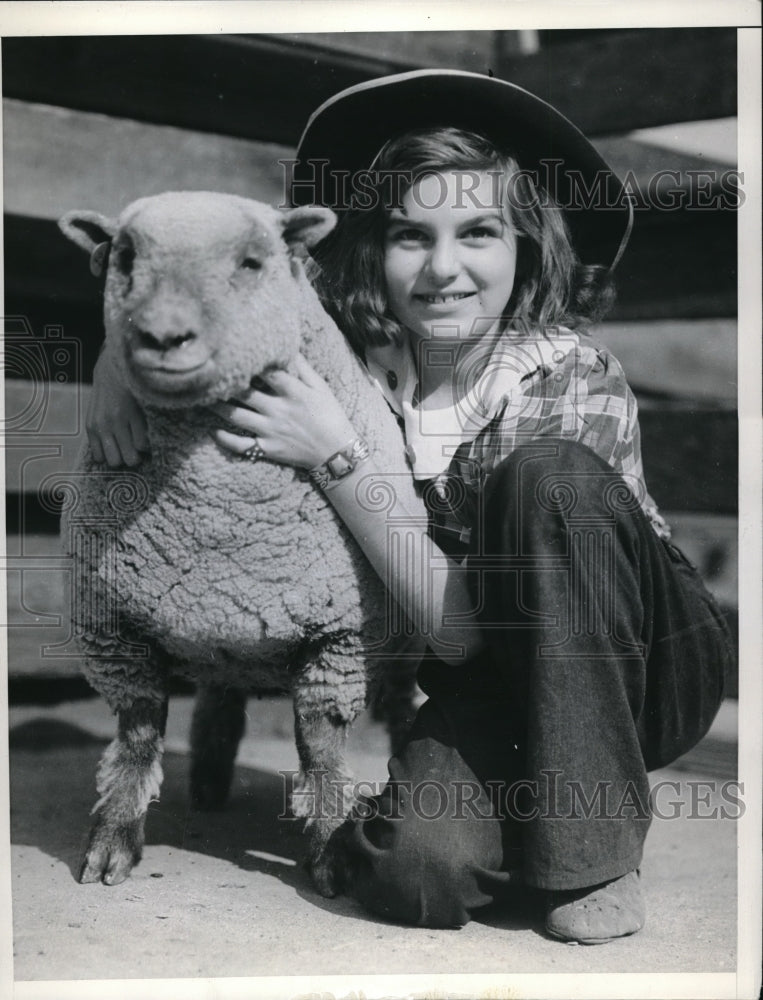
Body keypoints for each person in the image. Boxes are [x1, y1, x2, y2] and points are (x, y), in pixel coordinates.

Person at [85, 70, 733, 943]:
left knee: (546, 478)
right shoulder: (356, 370)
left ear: (526, 245)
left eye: (477, 233)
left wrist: (339, 457)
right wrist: (113, 381)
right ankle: (527, 813)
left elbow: (462, 628)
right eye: (407, 235)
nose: (441, 269)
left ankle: (594, 852)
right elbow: (203, 306)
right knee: (409, 872)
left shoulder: (566, 373)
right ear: (369, 250)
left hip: (640, 668)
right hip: (497, 686)